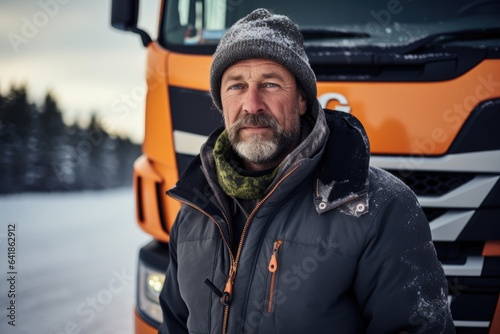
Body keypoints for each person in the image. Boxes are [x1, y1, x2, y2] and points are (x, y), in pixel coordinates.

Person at [158, 8, 455, 334]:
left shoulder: (383, 208)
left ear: (302, 100)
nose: (252, 104)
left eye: (270, 84)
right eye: (236, 86)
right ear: (221, 103)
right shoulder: (195, 209)